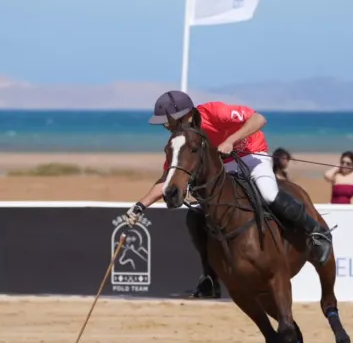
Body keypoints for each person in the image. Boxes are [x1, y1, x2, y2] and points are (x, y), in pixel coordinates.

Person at [121, 90, 333, 299]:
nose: (166, 126)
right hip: (224, 166)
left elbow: (259, 119)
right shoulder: (181, 140)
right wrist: (141, 206)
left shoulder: (214, 112)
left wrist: (231, 140)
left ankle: (317, 232)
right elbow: (169, 178)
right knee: (196, 215)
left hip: (251, 153)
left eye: (167, 121)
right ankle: (209, 277)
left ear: (184, 114)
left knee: (268, 194)